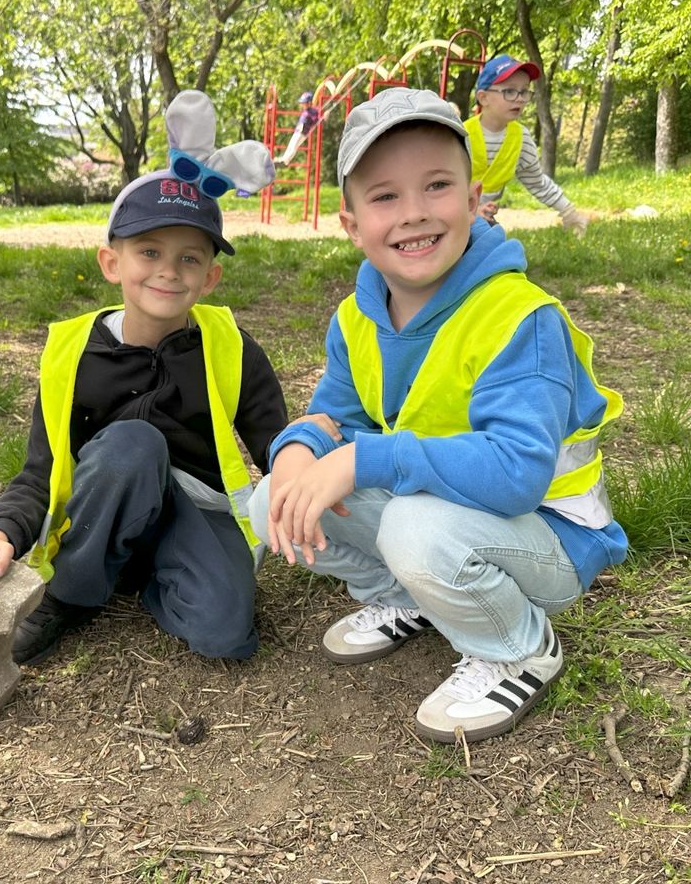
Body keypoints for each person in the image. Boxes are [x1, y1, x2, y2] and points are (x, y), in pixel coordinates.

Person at [250, 88, 627, 744]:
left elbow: (517, 475)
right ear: (351, 224)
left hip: (552, 535)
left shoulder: (518, 316)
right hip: (455, 511)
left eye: (437, 185)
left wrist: (367, 457)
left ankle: (520, 648)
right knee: (272, 500)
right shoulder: (356, 317)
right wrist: (296, 451)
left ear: (475, 198)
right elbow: (334, 417)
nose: (414, 213)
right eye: (385, 196)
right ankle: (405, 597)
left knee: (413, 527)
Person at [0, 171, 291, 664]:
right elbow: (41, 470)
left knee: (226, 635)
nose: (169, 271)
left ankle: (144, 570)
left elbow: (276, 447)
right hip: (106, 498)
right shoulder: (75, 355)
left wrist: (309, 464)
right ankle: (71, 592)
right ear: (111, 263)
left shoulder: (232, 346)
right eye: (149, 252)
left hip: (193, 507)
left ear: (210, 277)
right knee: (133, 443)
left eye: (189, 258)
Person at [464, 55, 588, 235]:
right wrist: (468, 210)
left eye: (524, 92)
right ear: (483, 98)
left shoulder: (520, 138)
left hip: (484, 218)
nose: (520, 99)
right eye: (510, 91)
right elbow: (441, 184)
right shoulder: (461, 134)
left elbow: (537, 182)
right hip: (449, 213)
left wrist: (568, 211)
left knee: (497, 243)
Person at [279, 91, 320, 165]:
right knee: (291, 144)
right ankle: (284, 159)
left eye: (304, 103)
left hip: (303, 132)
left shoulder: (313, 112)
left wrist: (321, 117)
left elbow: (316, 121)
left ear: (309, 103)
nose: (302, 105)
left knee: (294, 145)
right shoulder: (307, 111)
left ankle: (286, 160)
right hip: (298, 130)